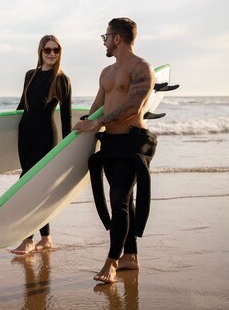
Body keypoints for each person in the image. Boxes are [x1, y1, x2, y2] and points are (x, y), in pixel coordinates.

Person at [73, 18, 157, 283]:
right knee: (124, 201)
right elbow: (98, 106)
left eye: (105, 37)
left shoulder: (142, 68)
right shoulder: (106, 73)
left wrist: (98, 122)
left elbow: (133, 106)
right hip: (110, 143)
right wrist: (82, 126)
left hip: (133, 142)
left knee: (119, 199)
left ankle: (111, 262)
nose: (104, 42)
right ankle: (130, 257)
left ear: (117, 38)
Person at [10, 34, 72, 255]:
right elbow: (21, 107)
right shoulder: (30, 75)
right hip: (24, 134)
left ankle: (28, 240)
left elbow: (66, 117)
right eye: (48, 50)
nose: (52, 54)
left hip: (45, 137)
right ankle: (46, 238)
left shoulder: (61, 80)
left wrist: (67, 149)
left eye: (56, 50)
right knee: (37, 187)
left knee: (27, 186)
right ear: (40, 51)